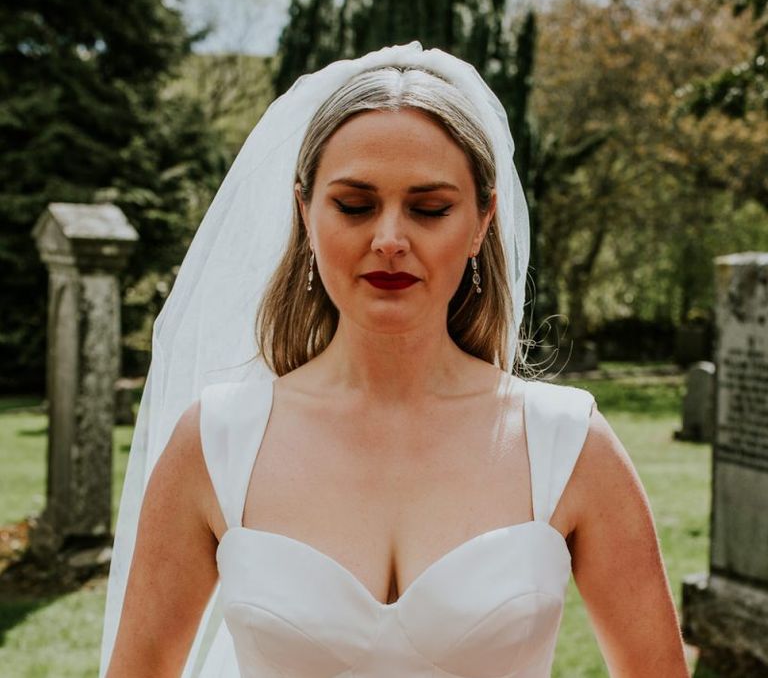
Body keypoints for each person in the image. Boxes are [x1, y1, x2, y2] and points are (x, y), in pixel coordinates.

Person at [100, 43, 689, 677]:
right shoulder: (216, 442)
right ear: (304, 210)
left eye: (430, 209)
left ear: (482, 221)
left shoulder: (567, 443)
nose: (388, 240)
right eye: (354, 206)